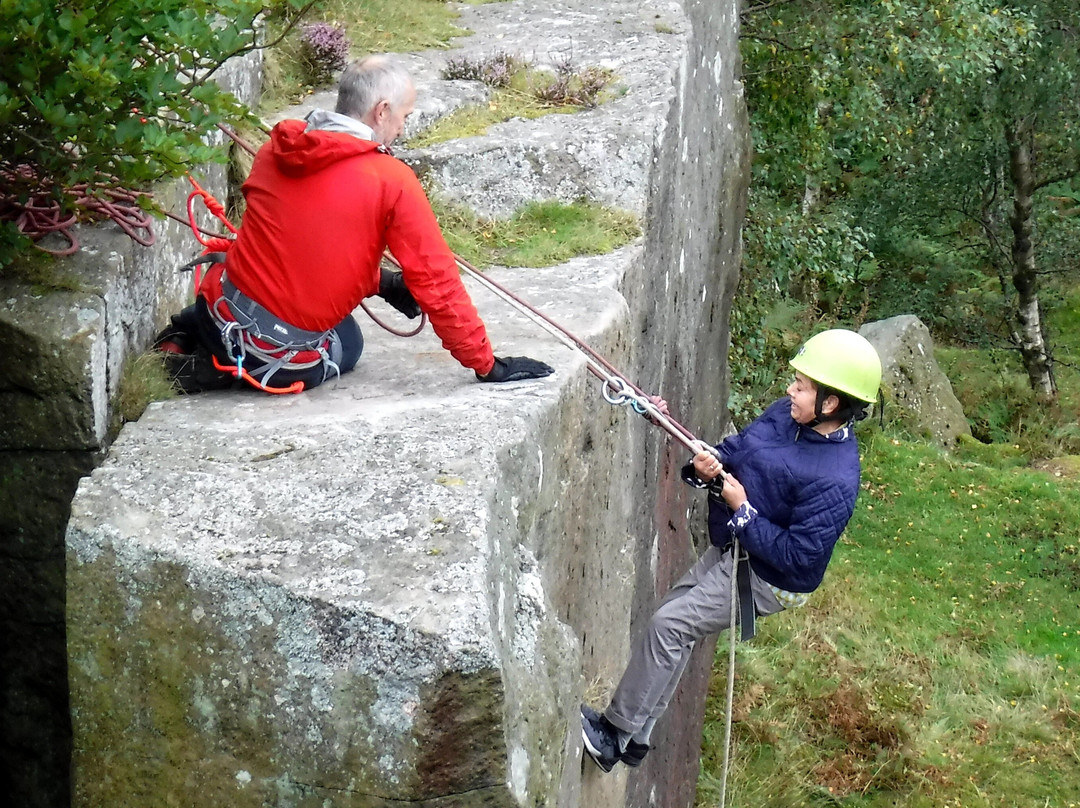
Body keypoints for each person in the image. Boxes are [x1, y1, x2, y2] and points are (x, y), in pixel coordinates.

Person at [157, 55, 554, 393]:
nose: (402, 128)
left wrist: (381, 283)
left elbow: (296, 246)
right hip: (270, 355)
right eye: (404, 116)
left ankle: (187, 332)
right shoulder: (391, 180)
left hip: (218, 312)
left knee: (262, 289)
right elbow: (438, 284)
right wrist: (487, 365)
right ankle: (218, 374)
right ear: (381, 111)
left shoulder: (275, 151)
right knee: (348, 338)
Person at [580, 329, 882, 772]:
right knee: (672, 618)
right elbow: (739, 451)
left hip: (769, 580)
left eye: (801, 386)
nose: (789, 390)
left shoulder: (835, 478)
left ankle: (614, 735)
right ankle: (637, 737)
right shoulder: (786, 416)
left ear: (830, 404)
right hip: (739, 547)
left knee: (668, 627)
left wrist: (742, 512)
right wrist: (705, 467)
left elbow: (800, 557)